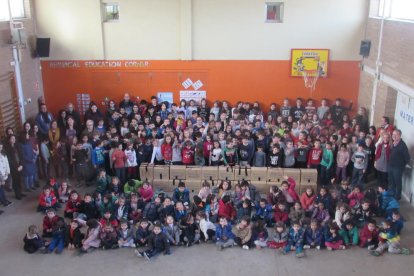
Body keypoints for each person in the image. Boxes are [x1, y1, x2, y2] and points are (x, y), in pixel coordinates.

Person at [388, 129, 410, 200]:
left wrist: (400, 164)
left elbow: (407, 158)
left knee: (397, 183)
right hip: (391, 166)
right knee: (391, 182)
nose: (393, 136)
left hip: (397, 168)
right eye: (393, 134)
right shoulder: (394, 143)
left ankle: (397, 197)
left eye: (396, 135)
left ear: (399, 136)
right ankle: (392, 194)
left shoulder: (402, 146)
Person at [0, 142, 12, 209]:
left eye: (1, 147)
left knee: (2, 189)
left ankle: (4, 200)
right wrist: (1, 178)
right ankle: (3, 201)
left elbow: (7, 163)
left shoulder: (3, 154)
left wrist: (8, 171)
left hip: (5, 173)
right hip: (0, 175)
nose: (0, 149)